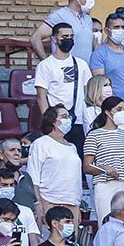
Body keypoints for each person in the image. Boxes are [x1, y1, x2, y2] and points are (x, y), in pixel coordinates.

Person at [83, 96, 124, 225]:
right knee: (106, 222)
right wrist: (104, 169)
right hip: (106, 185)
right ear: (108, 112)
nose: (123, 113)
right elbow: (86, 167)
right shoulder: (94, 134)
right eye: (119, 109)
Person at [34, 22, 92, 152]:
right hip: (57, 121)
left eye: (71, 36)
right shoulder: (46, 65)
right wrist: (48, 122)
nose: (69, 40)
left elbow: (88, 92)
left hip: (78, 121)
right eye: (65, 36)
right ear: (54, 39)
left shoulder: (81, 64)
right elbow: (41, 96)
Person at [27, 105, 83, 226]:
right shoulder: (41, 143)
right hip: (50, 202)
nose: (68, 120)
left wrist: (77, 206)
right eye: (64, 116)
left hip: (72, 204)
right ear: (52, 120)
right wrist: (39, 204)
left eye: (69, 117)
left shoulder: (72, 147)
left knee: (70, 244)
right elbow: (33, 177)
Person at [91, 16, 124, 109]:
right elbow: (100, 85)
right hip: (115, 108)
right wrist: (120, 104)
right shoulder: (99, 54)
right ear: (107, 31)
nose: (120, 30)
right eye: (116, 27)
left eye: (123, 27)